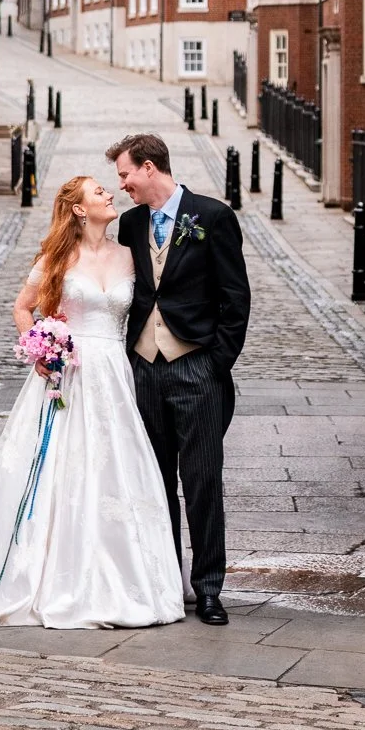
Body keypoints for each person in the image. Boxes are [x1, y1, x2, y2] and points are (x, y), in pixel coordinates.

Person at [0, 176, 184, 628]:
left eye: (108, 188)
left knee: (114, 470)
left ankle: (121, 577)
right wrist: (40, 348)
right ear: (80, 210)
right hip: (69, 372)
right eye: (98, 191)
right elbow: (23, 307)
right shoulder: (57, 257)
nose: (109, 194)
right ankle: (43, 572)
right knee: (58, 471)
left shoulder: (129, 256)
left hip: (114, 377)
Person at [106, 131, 251, 625]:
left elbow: (236, 297)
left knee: (203, 480)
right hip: (144, 369)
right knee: (155, 482)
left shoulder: (212, 217)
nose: (122, 184)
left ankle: (208, 588)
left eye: (125, 173)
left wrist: (216, 364)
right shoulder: (129, 224)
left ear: (149, 168)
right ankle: (167, 581)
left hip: (197, 368)